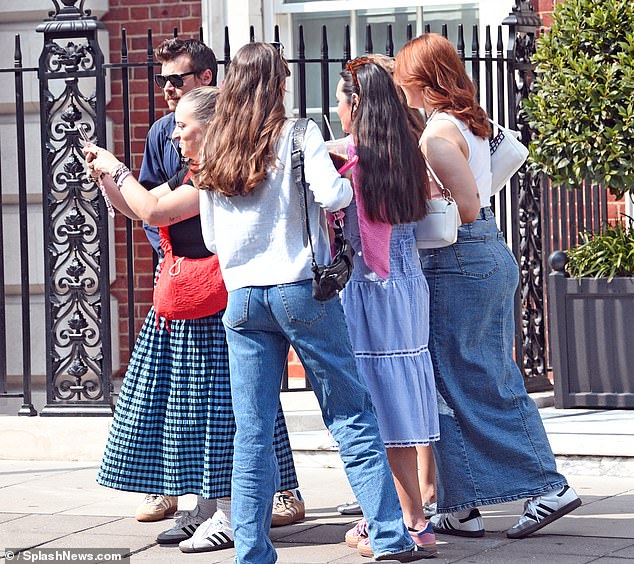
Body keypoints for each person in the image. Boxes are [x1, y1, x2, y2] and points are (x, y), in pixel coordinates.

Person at [196, 42, 431, 563]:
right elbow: (336, 197)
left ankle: (251, 551)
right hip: (300, 289)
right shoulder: (300, 133)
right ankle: (392, 537)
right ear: (278, 84)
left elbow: (212, 239)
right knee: (350, 414)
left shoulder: (214, 147)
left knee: (252, 432)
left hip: (241, 301)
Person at [85, 86, 302, 554]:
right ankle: (205, 508)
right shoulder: (195, 169)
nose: (174, 132)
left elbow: (154, 208)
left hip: (218, 304)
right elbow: (137, 205)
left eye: (183, 124)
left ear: (211, 125)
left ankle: (228, 511)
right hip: (190, 302)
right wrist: (107, 178)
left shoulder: (219, 172)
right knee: (190, 412)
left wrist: (117, 168)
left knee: (220, 412)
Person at [394, 33, 581, 540]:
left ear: (421, 78)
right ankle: (462, 502)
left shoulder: (436, 133)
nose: (397, 84)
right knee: (454, 381)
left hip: (460, 259)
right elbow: (507, 159)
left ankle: (547, 485)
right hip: (479, 256)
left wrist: (428, 191)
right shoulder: (470, 121)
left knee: (477, 379)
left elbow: (468, 207)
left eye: (403, 74)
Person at [334, 57, 439, 559]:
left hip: (370, 287)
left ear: (356, 105)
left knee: (381, 408)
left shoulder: (353, 160)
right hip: (408, 284)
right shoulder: (406, 152)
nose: (336, 110)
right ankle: (409, 510)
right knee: (403, 398)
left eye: (339, 100)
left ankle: (411, 521)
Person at [138, 37, 217, 256]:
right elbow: (148, 203)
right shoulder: (160, 131)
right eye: (162, 81)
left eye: (175, 79)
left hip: (224, 262)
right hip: (178, 266)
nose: (168, 88)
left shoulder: (232, 126)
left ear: (206, 77)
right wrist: (167, 255)